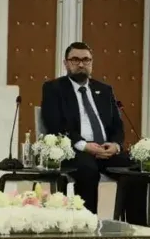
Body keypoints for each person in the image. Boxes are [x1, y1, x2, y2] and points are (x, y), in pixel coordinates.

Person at [41, 41, 146, 222]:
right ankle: (87, 226)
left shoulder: (104, 90)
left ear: (91, 63)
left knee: (136, 170)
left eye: (86, 60)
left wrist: (115, 145)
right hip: (75, 150)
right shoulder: (54, 89)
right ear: (66, 63)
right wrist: (84, 146)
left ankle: (138, 228)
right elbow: (54, 125)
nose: (81, 64)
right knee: (88, 170)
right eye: (75, 60)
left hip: (105, 150)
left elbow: (117, 125)